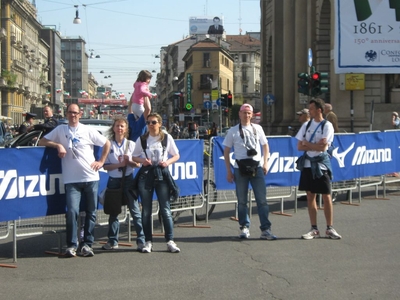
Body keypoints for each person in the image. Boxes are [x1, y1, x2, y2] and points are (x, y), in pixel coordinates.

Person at [39, 103, 111, 257]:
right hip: (71, 180)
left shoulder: (87, 130)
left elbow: (106, 143)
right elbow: (42, 141)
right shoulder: (60, 129)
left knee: (91, 212)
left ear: (80, 114)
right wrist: (58, 145)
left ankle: (87, 244)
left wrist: (101, 161)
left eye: (75, 113)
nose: (73, 115)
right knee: (72, 212)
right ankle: (72, 245)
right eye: (70, 112)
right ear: (66, 114)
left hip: (90, 177)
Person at [223, 104, 277, 240]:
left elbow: (265, 145)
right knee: (242, 201)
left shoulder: (258, 128)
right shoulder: (233, 131)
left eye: (249, 113)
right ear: (239, 114)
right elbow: (226, 151)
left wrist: (266, 162)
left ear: (252, 115)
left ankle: (265, 229)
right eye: (244, 113)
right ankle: (244, 227)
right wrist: (228, 171)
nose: (246, 115)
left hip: (257, 167)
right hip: (240, 168)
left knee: (262, 200)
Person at [132, 113, 181, 253]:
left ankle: (170, 241)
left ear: (159, 123)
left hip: (161, 176)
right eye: (148, 122)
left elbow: (176, 155)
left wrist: (167, 162)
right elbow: (134, 156)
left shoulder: (166, 138)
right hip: (146, 176)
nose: (150, 125)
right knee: (146, 210)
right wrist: (143, 161)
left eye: (153, 122)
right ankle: (148, 241)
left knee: (165, 209)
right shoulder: (142, 139)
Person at [295, 98, 342, 240]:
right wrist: (314, 145)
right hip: (308, 164)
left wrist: (308, 144)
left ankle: (330, 228)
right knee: (310, 196)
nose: (309, 111)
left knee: (326, 196)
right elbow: (299, 146)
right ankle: (314, 229)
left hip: (321, 165)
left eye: (311, 109)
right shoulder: (306, 125)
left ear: (319, 110)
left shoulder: (327, 126)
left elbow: (324, 147)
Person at [102, 117, 145, 251]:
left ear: (126, 129)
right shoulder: (108, 144)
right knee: (113, 212)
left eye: (122, 126)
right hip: (114, 181)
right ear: (113, 128)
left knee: (135, 210)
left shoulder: (131, 144)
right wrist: (119, 164)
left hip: (128, 180)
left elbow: (138, 164)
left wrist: (130, 162)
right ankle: (113, 240)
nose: (119, 128)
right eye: (117, 126)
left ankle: (141, 240)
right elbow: (105, 166)